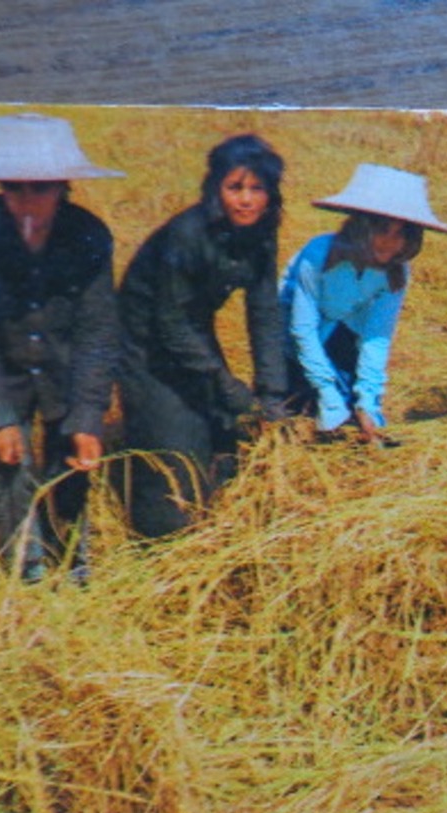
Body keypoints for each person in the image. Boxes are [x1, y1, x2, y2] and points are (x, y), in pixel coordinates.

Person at [0, 113, 123, 581]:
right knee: (10, 470)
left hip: (65, 366)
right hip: (4, 367)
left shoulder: (89, 235)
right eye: (14, 187)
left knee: (71, 466)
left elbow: (98, 330)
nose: (26, 200)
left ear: (62, 186)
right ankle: (27, 573)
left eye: (39, 188)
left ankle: (74, 564)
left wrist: (88, 414)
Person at [116, 134, 285, 537]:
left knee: (227, 429)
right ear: (215, 190)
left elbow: (264, 314)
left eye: (257, 188)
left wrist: (272, 395)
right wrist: (224, 383)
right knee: (175, 459)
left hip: (190, 328)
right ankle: (161, 543)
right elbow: (169, 324)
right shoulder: (187, 234)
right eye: (234, 188)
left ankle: (221, 521)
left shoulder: (262, 234)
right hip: (143, 338)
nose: (246, 200)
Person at [264, 163, 447, 445]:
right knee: (294, 419)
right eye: (382, 229)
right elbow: (302, 330)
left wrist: (367, 402)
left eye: (402, 233)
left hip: (341, 336)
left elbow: (376, 336)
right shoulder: (318, 254)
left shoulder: (396, 271)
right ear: (361, 226)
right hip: (290, 341)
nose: (390, 243)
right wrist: (327, 394)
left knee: (356, 424)